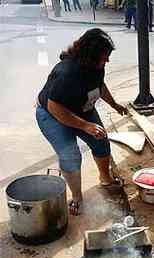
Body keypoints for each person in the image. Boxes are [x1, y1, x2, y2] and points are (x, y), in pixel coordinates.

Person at [36, 28, 128, 216]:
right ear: (89, 55)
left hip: (82, 108)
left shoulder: (96, 66)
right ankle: (77, 197)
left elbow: (100, 86)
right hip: (52, 115)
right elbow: (55, 108)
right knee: (71, 154)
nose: (107, 61)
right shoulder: (66, 73)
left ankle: (105, 178)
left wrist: (115, 105)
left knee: (101, 140)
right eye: (104, 57)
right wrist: (85, 126)